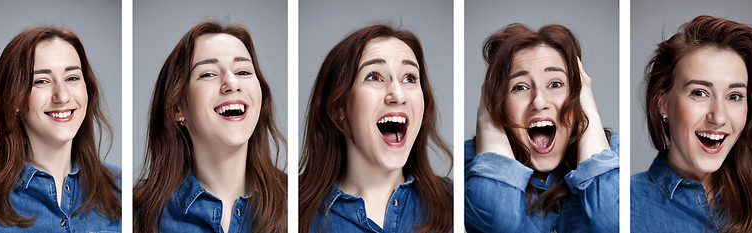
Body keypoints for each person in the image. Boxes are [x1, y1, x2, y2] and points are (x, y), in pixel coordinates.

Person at [631, 15, 752, 233]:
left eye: (734, 96)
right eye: (699, 93)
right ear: (663, 104)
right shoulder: (625, 207)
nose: (719, 117)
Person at [465, 23, 619, 232]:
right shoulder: (471, 165)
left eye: (555, 84)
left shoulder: (613, 154)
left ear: (577, 93)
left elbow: (612, 218)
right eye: (519, 87)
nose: (538, 102)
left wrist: (587, 110)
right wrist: (488, 115)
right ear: (497, 100)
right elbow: (500, 220)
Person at [133, 22, 287, 233]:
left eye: (243, 71)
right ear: (178, 108)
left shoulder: (299, 206)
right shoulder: (137, 218)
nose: (232, 83)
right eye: (208, 74)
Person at [299, 24, 453, 233]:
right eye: (374, 76)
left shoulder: (457, 204)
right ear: (338, 108)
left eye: (410, 78)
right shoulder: (294, 216)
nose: (398, 95)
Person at [0, 27, 121, 231]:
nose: (62, 96)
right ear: (13, 100)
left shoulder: (122, 191)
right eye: (41, 81)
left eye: (72, 78)